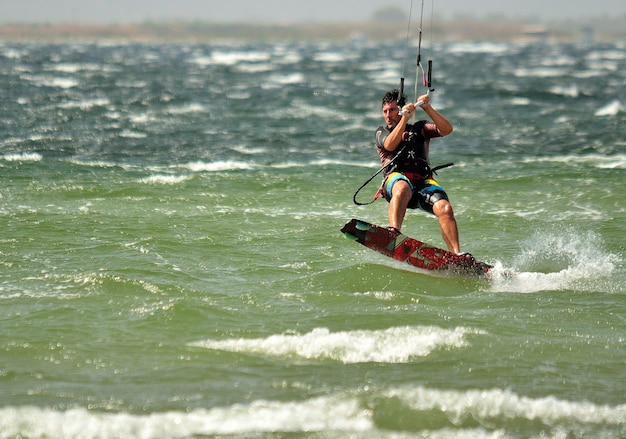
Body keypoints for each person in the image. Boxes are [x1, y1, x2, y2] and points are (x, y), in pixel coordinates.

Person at [374, 89, 464, 255]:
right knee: (402, 188)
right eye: (385, 111)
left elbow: (447, 129)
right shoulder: (382, 132)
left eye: (392, 110)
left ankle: (457, 255)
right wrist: (404, 120)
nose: (388, 115)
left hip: (422, 183)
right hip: (395, 183)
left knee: (445, 208)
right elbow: (390, 145)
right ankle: (393, 232)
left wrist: (427, 107)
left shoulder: (420, 128)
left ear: (401, 110)